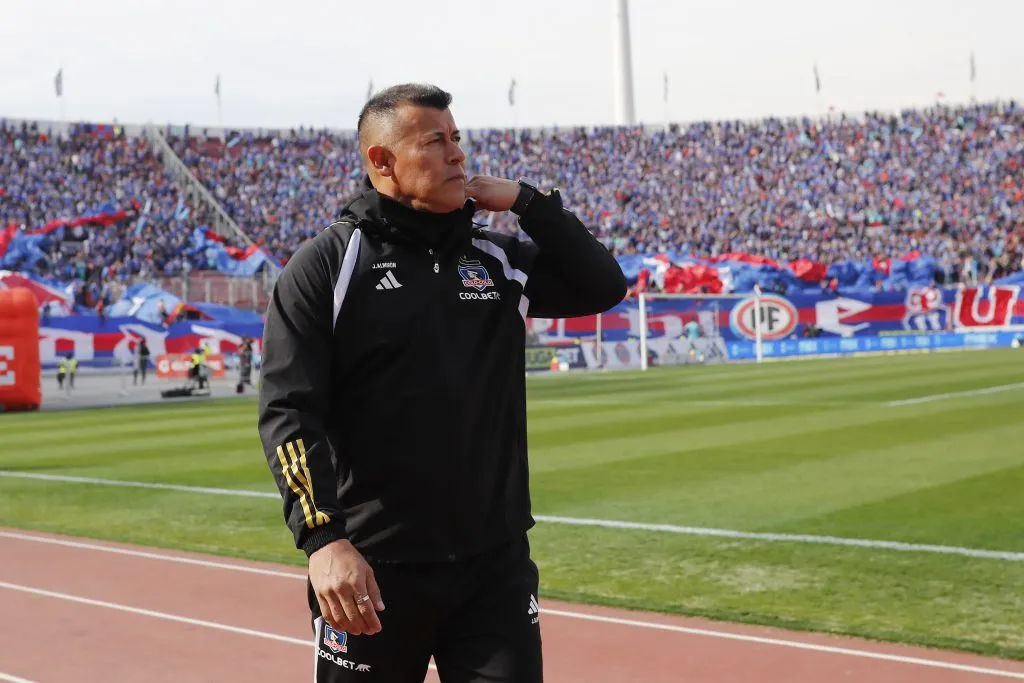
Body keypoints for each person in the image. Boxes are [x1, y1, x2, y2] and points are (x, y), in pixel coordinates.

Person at [257, 83, 626, 683]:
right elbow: (288, 410)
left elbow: (603, 286)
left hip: (494, 568)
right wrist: (323, 540)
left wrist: (530, 203)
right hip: (373, 568)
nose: (458, 154)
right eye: (436, 141)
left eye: (457, 138)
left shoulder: (496, 260)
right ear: (382, 160)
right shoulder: (328, 266)